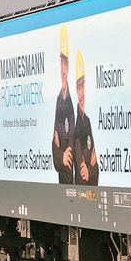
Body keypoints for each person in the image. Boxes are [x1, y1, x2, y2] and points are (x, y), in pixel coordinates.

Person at [51, 25, 75, 183]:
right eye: (61, 62)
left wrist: (68, 149)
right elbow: (55, 140)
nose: (62, 68)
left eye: (65, 63)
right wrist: (61, 155)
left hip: (73, 175)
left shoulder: (72, 102)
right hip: (64, 178)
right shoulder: (59, 99)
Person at [72, 49, 98, 185]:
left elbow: (95, 165)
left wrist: (91, 170)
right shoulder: (76, 126)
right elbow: (82, 171)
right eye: (78, 88)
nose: (81, 94)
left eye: (83, 86)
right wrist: (89, 169)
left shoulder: (87, 121)